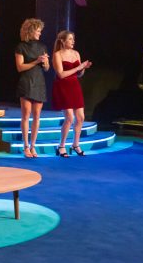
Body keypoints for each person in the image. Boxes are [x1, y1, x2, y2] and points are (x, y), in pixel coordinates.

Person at [51, 30, 92, 157]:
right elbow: (61, 74)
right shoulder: (57, 55)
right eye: (70, 39)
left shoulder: (76, 53)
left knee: (80, 117)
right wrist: (78, 68)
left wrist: (83, 68)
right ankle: (61, 146)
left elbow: (79, 74)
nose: (73, 41)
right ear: (62, 41)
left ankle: (75, 144)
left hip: (74, 86)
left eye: (73, 39)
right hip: (63, 86)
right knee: (69, 117)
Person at [15, 18, 49, 158]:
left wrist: (45, 62)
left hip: (39, 82)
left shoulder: (42, 47)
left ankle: (33, 146)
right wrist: (36, 61)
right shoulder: (21, 46)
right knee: (26, 114)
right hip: (27, 82)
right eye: (38, 31)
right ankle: (26, 146)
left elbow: (46, 68)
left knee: (37, 115)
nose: (40, 33)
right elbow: (20, 67)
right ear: (30, 31)